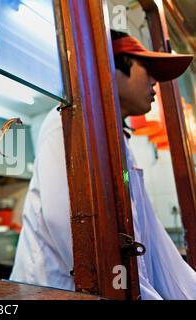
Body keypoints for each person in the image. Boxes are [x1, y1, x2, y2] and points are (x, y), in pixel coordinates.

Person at [10, 30, 196, 300]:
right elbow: (71, 229)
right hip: (50, 291)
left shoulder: (118, 140)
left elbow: (152, 238)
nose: (155, 82)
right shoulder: (68, 122)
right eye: (147, 69)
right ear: (115, 67)